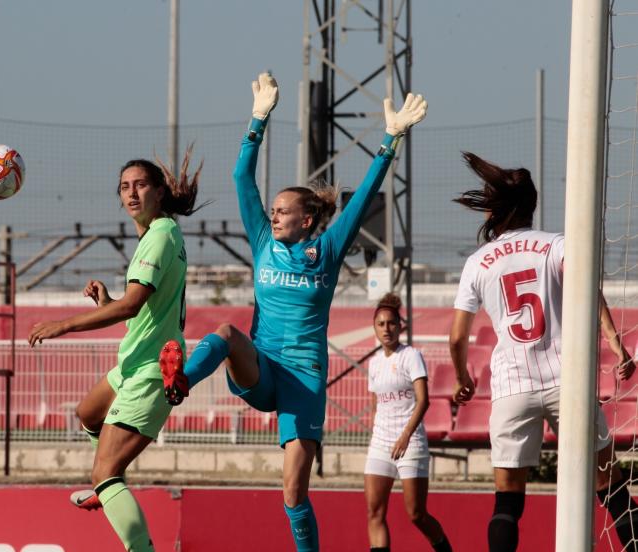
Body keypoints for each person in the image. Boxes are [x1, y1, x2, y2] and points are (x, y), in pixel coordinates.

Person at [157, 73, 427, 551]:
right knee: (224, 331)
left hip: (304, 379)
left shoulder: (325, 250)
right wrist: (258, 119)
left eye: (283, 211)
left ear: (307, 219)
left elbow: (363, 197)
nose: (274, 215)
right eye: (273, 210)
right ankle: (180, 382)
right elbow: (242, 178)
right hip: (261, 367)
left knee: (293, 491)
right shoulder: (263, 242)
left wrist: (391, 139)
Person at [449, 152, 637, 552]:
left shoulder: (478, 262)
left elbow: (456, 337)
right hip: (566, 381)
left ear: (495, 211)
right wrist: (615, 343)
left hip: (511, 387)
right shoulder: (557, 245)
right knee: (611, 487)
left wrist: (464, 378)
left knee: (507, 502)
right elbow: (588, 289)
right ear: (531, 206)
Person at [28, 151, 202, 552]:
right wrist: (107, 300)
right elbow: (139, 311)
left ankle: (109, 491)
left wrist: (64, 325)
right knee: (88, 413)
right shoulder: (159, 234)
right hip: (134, 361)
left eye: (140, 184)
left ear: (159, 192)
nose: (132, 192)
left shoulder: (159, 236)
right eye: (125, 187)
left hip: (152, 371)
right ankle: (106, 487)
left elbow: (131, 306)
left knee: (105, 472)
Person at [363, 293, 452, 552]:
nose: (386, 329)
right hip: (381, 443)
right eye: (381, 324)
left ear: (400, 326)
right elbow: (375, 402)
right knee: (374, 512)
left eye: (391, 323)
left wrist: (404, 437)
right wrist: (376, 432)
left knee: (416, 514)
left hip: (409, 442)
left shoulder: (411, 356)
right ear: (375, 329)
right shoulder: (374, 363)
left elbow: (423, 401)